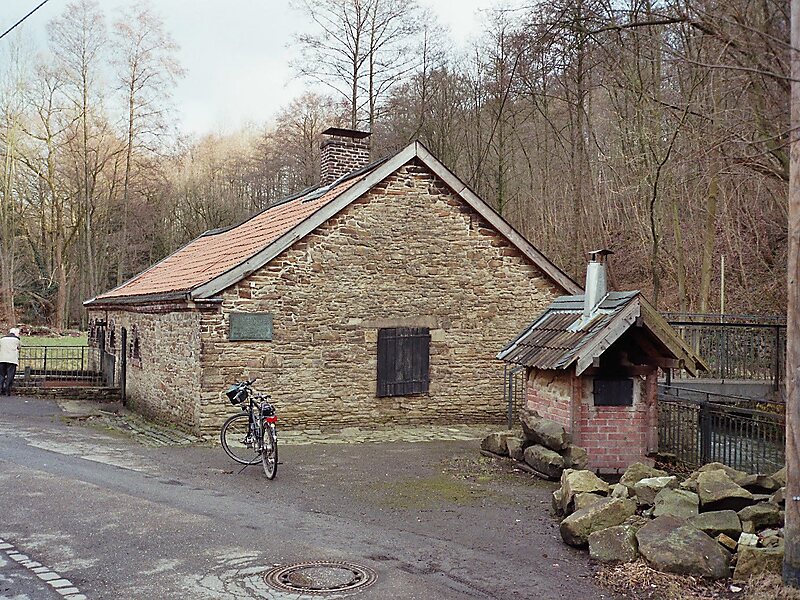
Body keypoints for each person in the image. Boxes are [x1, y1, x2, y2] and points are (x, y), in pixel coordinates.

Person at [0, 327, 21, 396]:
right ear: (15, 333)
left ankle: (0, 389)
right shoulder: (16, 340)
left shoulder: (2, 339)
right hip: (12, 360)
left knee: (1, 375)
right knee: (10, 375)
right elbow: (19, 347)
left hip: (2, 359)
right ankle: (7, 390)